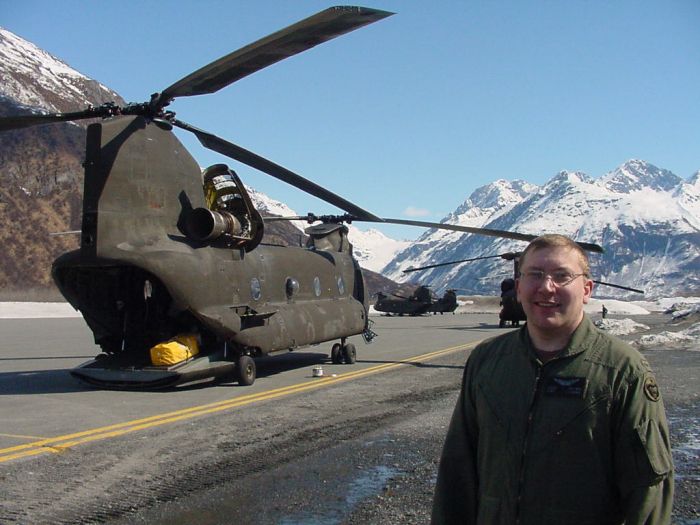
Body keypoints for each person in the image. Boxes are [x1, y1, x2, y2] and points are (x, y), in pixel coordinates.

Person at [431, 234, 673, 525]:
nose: (547, 287)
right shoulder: (487, 360)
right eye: (535, 274)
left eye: (562, 276)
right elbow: (457, 470)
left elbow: (647, 490)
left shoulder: (622, 369)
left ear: (586, 289)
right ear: (518, 288)